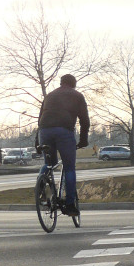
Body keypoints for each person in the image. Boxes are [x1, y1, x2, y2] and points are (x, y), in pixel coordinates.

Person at [37, 74, 90, 217]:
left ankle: (42, 187)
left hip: (45, 131)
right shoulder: (77, 95)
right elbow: (84, 120)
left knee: (49, 164)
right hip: (64, 131)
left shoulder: (49, 95)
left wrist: (38, 142)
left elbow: (40, 118)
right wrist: (83, 140)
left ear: (61, 83)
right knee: (69, 167)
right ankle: (70, 204)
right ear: (74, 84)